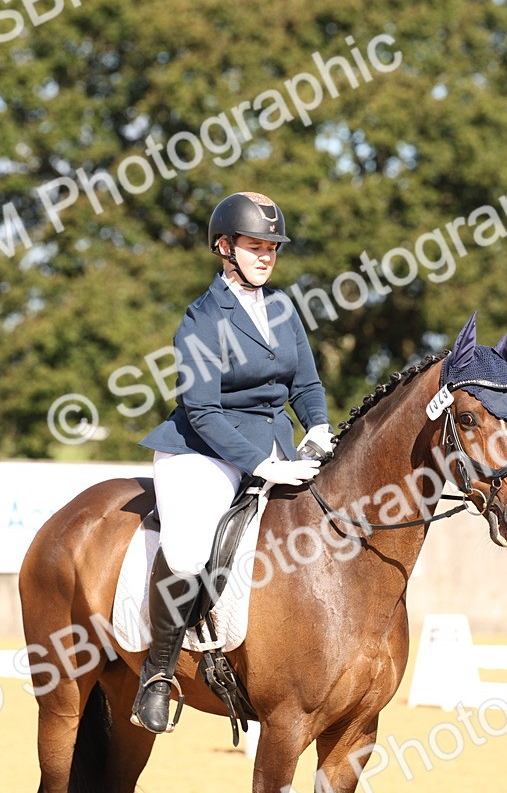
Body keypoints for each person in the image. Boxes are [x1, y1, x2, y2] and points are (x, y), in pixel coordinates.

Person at [131, 191, 335, 733]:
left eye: (272, 247)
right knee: (190, 550)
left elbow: (307, 384)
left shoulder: (283, 309)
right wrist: (261, 465)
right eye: (254, 246)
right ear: (225, 247)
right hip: (203, 449)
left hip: (276, 446)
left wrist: (317, 424)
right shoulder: (200, 319)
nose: (266, 255)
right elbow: (202, 410)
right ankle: (158, 671)